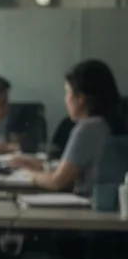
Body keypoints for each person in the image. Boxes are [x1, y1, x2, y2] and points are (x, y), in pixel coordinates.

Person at [12, 59, 126, 196]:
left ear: (81, 98)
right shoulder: (107, 123)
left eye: (67, 92)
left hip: (89, 207)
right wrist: (41, 166)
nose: (65, 99)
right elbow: (80, 169)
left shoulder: (89, 127)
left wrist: (27, 174)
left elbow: (58, 181)